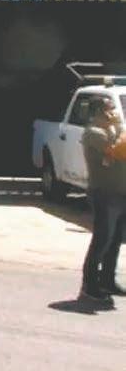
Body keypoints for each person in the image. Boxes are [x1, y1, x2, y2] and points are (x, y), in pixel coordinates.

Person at [80, 97, 126, 303]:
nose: (114, 112)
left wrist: (118, 128)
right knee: (102, 240)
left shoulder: (113, 130)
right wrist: (120, 127)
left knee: (115, 240)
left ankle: (107, 280)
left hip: (121, 193)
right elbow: (118, 149)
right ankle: (90, 285)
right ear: (99, 112)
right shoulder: (93, 133)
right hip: (104, 194)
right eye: (110, 109)